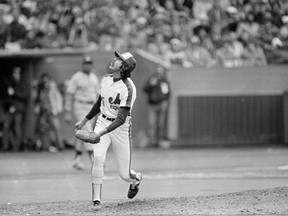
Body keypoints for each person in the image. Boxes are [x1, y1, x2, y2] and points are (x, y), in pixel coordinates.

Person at [74, 51, 142, 208]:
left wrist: (98, 133)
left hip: (121, 129)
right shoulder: (106, 79)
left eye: (119, 59)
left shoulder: (129, 88)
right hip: (103, 122)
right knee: (97, 158)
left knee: (124, 175)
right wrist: (85, 120)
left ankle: (136, 179)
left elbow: (120, 119)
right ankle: (96, 199)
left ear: (124, 67)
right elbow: (100, 102)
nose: (114, 60)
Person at [65, 55, 100, 170]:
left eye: (90, 64)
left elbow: (98, 95)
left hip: (92, 107)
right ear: (82, 65)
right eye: (86, 64)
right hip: (80, 105)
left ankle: (76, 160)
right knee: (88, 132)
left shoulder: (94, 77)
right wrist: (68, 111)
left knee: (83, 135)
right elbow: (69, 94)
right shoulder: (76, 77)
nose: (88, 66)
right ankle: (93, 160)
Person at [34, 73, 64, 152]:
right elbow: (39, 101)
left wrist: (58, 109)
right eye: (44, 82)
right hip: (44, 112)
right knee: (43, 129)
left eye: (47, 81)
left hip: (52, 112)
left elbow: (59, 99)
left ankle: (60, 146)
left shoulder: (53, 89)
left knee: (56, 128)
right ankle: (45, 146)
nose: (45, 83)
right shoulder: (41, 90)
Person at [143, 66, 171, 148]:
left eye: (161, 71)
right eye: (158, 71)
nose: (159, 73)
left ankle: (159, 141)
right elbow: (145, 89)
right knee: (152, 124)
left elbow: (168, 93)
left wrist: (166, 102)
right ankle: (152, 142)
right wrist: (151, 85)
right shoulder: (151, 79)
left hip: (161, 105)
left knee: (160, 124)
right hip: (152, 105)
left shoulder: (164, 81)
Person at [2, 66, 28, 151]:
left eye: (17, 73)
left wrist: (14, 93)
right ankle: (5, 146)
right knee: (6, 127)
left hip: (18, 109)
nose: (15, 75)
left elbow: (25, 96)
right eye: (14, 73)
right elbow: (7, 96)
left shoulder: (22, 83)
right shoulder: (10, 83)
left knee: (17, 127)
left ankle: (16, 147)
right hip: (10, 108)